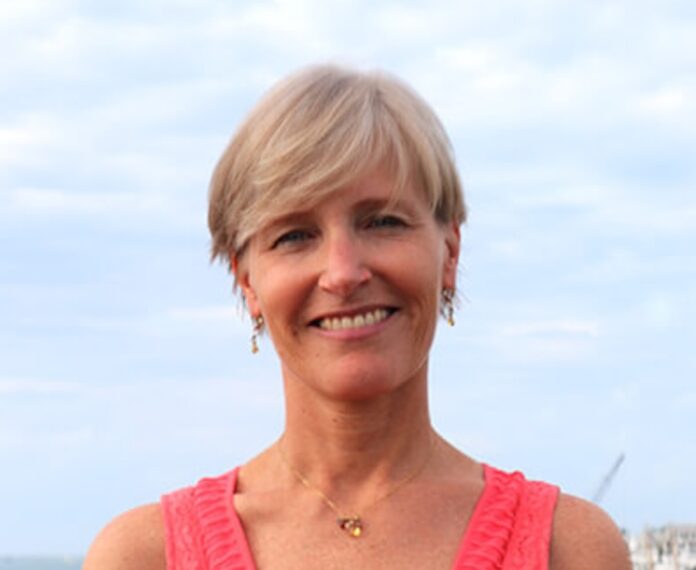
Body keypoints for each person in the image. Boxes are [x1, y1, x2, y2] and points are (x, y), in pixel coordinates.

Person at [84, 64, 631, 570]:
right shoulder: (143, 555)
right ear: (247, 282)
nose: (342, 273)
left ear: (451, 253)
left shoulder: (570, 549)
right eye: (295, 235)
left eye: (383, 222)